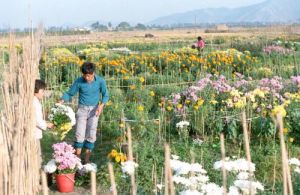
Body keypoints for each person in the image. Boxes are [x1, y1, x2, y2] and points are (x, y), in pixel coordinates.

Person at [59, 62, 109, 164]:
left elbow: (105, 95)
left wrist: (101, 106)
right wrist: (62, 100)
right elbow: (70, 93)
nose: (87, 78)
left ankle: (86, 160)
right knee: (79, 134)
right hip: (82, 110)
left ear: (93, 73)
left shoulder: (100, 81)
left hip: (94, 110)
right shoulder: (79, 81)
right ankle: (77, 160)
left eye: (89, 76)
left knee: (91, 133)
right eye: (85, 75)